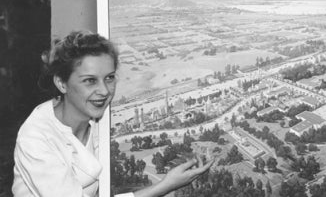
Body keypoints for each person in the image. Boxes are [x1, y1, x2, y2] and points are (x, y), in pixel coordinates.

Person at [12, 31, 214, 197]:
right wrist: (165, 185)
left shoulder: (100, 115)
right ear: (61, 83)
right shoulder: (36, 137)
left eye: (109, 78)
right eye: (90, 80)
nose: (104, 91)